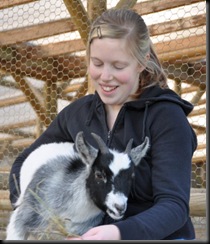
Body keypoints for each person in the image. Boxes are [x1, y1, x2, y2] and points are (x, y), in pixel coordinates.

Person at [8, 8, 197, 240]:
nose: (105, 76)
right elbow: (23, 162)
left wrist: (119, 232)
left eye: (118, 66)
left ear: (141, 62)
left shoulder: (167, 118)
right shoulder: (79, 113)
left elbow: (174, 206)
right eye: (97, 63)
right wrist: (26, 206)